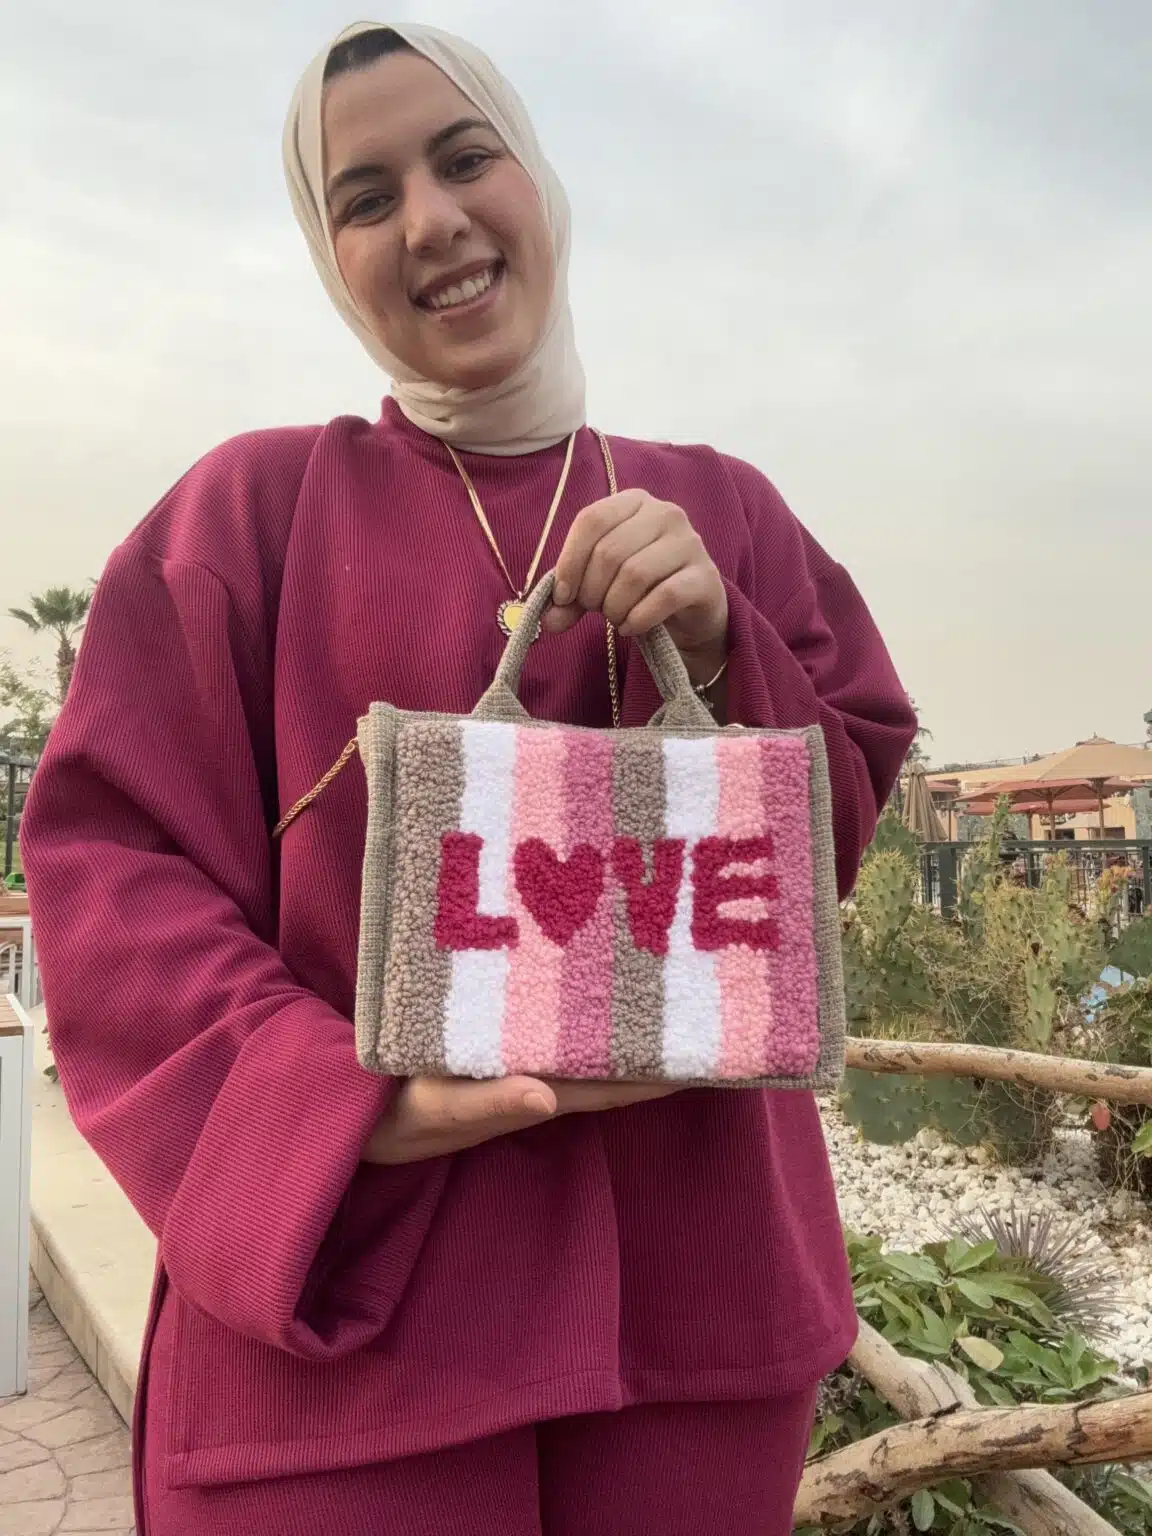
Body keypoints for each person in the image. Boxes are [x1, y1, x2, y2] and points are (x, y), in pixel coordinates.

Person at [21, 21, 916, 1536]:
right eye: (365, 198)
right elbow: (110, 873)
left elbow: (826, 835)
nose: (429, 221)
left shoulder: (725, 511)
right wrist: (341, 1100)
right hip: (353, 1358)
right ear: (330, 254)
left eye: (462, 157)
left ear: (537, 181)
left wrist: (724, 645)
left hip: (695, 1329)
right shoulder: (244, 518)